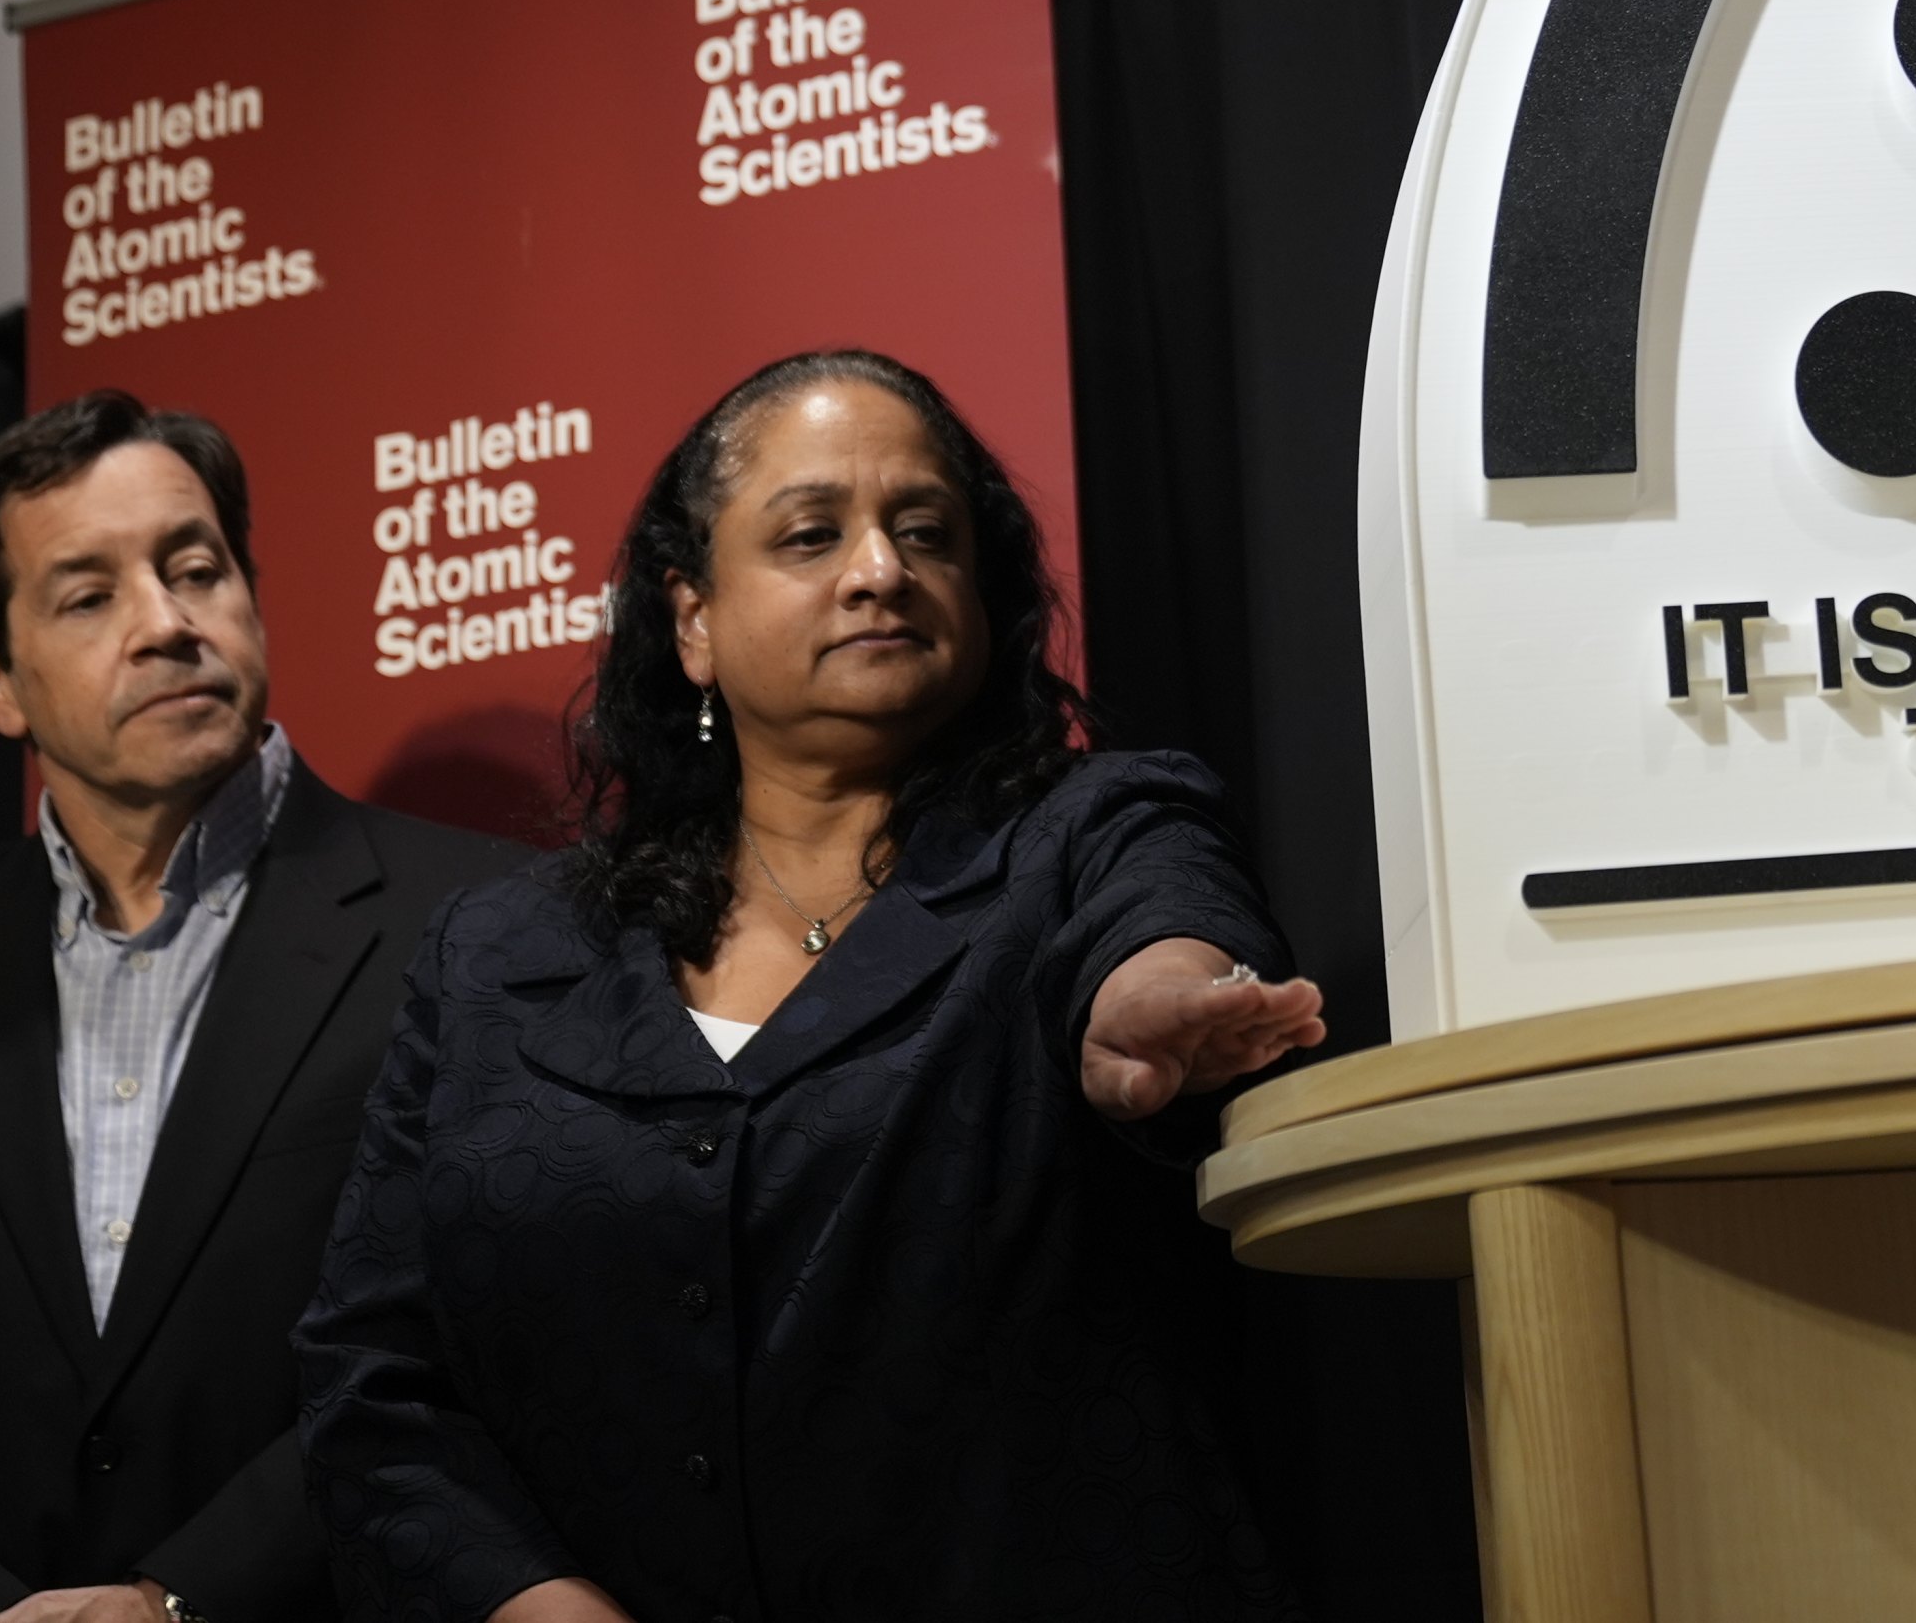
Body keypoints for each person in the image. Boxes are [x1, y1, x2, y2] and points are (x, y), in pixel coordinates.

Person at [295, 350, 1325, 1621]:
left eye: (925, 532)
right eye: (811, 535)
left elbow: (1166, 915)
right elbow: (375, 1378)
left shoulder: (1089, 829)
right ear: (692, 621)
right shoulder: (492, 958)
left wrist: (1155, 1000)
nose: (881, 569)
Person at [0, 393, 517, 1623]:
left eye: (195, 568)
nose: (168, 624)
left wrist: (177, 1599)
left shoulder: (486, 928)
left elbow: (490, 1331)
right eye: (88, 595)